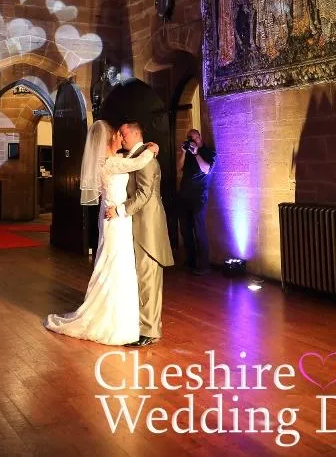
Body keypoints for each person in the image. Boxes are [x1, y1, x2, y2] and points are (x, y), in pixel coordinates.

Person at [44, 120, 158, 345]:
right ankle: (113, 320)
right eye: (117, 134)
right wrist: (152, 149)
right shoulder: (108, 163)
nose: (120, 137)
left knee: (119, 264)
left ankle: (124, 316)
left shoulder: (115, 160)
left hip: (118, 219)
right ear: (109, 139)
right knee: (115, 265)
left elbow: (130, 161)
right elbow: (139, 162)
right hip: (115, 220)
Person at [105, 122, 174, 347]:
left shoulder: (146, 160)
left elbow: (144, 194)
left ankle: (150, 331)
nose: (121, 138)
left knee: (148, 280)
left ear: (136, 133)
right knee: (141, 279)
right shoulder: (135, 157)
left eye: (124, 134)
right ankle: (141, 324)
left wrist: (120, 210)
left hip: (147, 227)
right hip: (134, 226)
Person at [176, 128, 215, 275]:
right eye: (189, 138)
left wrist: (196, 153)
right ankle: (190, 261)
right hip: (184, 196)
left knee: (199, 230)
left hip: (199, 197)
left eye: (194, 138)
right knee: (185, 230)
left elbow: (206, 169)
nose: (192, 141)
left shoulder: (208, 152)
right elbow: (179, 167)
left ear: (200, 138)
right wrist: (184, 152)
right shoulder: (188, 153)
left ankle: (204, 265)